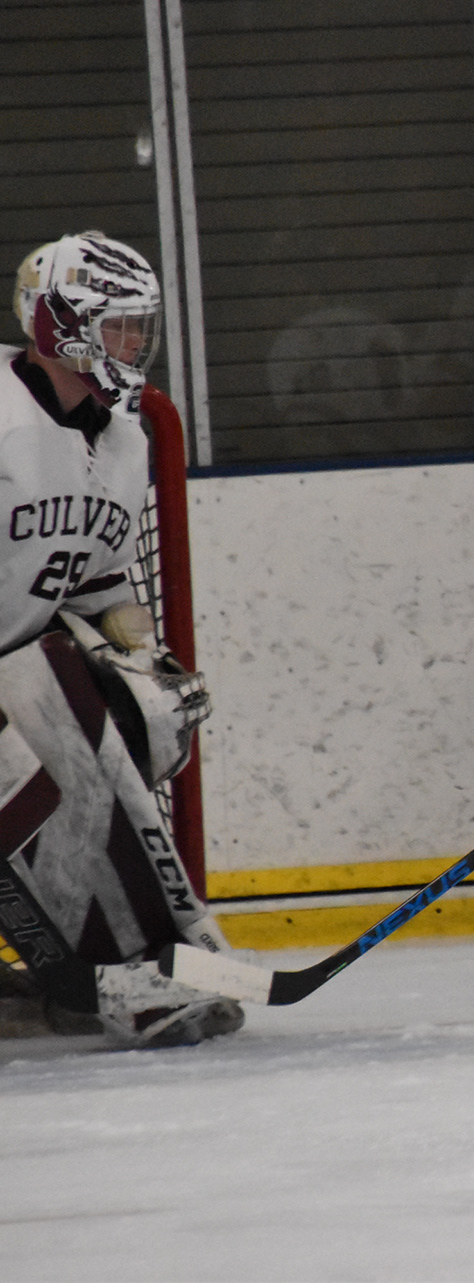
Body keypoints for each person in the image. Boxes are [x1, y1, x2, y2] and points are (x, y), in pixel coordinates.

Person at [0, 231, 239, 1047]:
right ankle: (115, 965)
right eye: (118, 325)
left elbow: (98, 587)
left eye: (142, 326)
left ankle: (152, 948)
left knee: (116, 708)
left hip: (16, 677)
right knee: (47, 714)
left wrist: (141, 661)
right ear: (61, 323)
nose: (135, 343)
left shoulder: (126, 439)